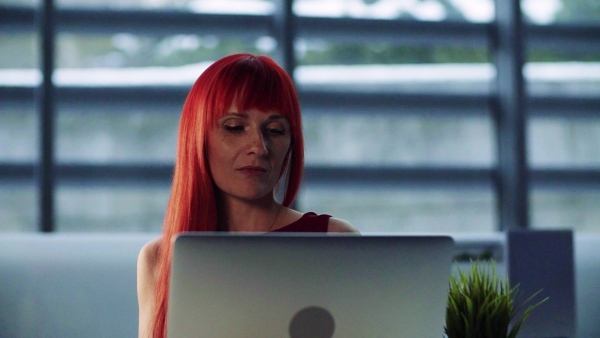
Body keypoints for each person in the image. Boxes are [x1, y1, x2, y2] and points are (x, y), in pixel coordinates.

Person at [136, 53, 357, 338]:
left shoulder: (334, 242)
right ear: (198, 137)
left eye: (275, 130)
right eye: (235, 127)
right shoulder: (159, 259)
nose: (259, 147)